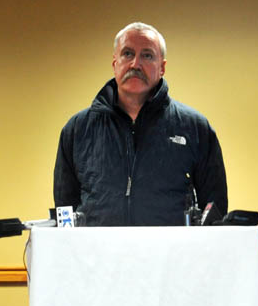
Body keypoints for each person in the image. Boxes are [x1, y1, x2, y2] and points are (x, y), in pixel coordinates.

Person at [53, 22, 227, 225]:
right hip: (98, 256)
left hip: (172, 255)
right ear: (114, 63)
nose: (135, 64)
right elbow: (65, 209)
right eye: (127, 54)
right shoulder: (77, 130)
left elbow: (214, 212)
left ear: (162, 67)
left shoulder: (195, 128)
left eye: (147, 55)